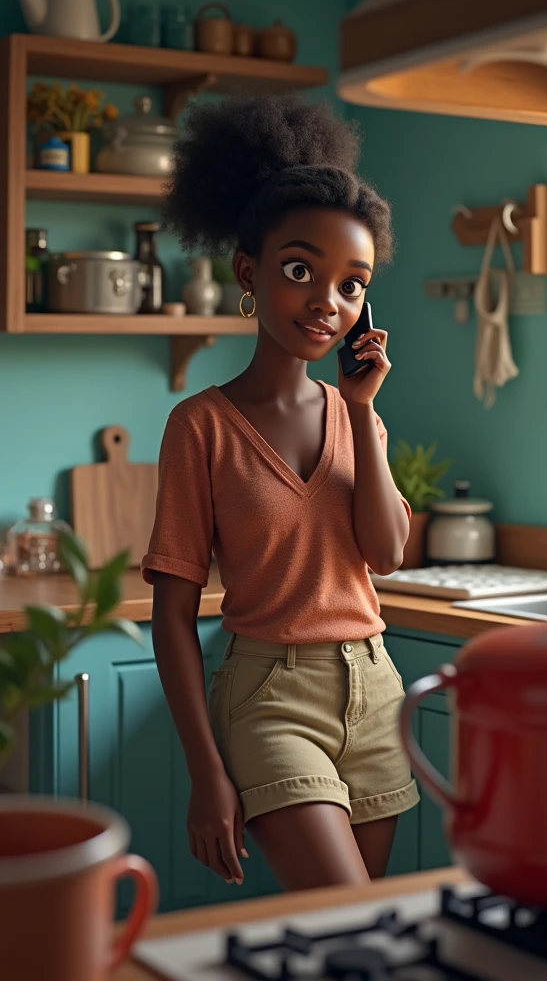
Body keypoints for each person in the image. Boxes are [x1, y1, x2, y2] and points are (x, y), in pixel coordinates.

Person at [142, 95, 419, 893]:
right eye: (301, 271)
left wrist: (363, 412)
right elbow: (171, 612)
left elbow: (388, 556)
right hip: (269, 697)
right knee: (347, 908)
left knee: (354, 949)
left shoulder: (356, 415)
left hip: (374, 690)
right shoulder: (200, 426)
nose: (326, 303)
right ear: (248, 272)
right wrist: (205, 772)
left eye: (352, 284)